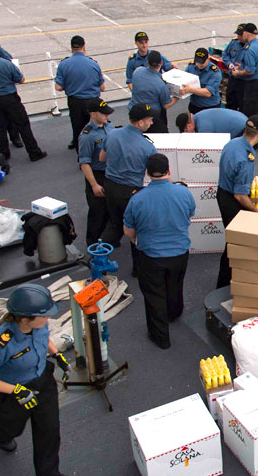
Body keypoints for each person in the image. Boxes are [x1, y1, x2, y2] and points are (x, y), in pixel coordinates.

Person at [0, 283, 77, 476]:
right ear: (24, 319)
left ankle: (50, 475)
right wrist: (17, 391)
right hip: (12, 392)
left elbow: (44, 338)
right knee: (12, 428)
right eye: (44, 315)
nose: (48, 318)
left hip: (43, 382)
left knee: (49, 430)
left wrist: (57, 355)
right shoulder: (2, 342)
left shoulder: (39, 324)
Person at [123, 153, 195, 349]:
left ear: (147, 173)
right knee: (175, 284)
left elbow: (129, 230)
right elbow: (190, 215)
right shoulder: (184, 193)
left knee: (154, 294)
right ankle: (174, 312)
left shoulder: (137, 199)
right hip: (179, 252)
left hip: (151, 255)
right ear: (169, 171)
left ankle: (161, 337)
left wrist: (136, 240)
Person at [99, 103, 157, 276]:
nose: (152, 122)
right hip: (130, 192)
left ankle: (96, 256)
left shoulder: (112, 134)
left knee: (115, 223)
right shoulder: (147, 146)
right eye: (149, 120)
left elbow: (102, 158)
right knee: (137, 228)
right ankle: (138, 269)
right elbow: (154, 173)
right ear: (140, 123)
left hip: (110, 186)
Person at [0, 36, 47, 162]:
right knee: (22, 124)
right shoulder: (6, 63)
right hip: (9, 97)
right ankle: (33, 152)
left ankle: (3, 154)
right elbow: (21, 79)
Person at [215, 115, 258, 288]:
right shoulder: (246, 158)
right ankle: (224, 284)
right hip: (232, 202)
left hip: (222, 193)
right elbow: (240, 195)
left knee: (232, 239)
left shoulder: (233, 144)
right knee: (236, 244)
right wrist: (256, 211)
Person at [55, 35, 105, 150]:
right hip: (92, 102)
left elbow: (58, 87)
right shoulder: (93, 63)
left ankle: (80, 151)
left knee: (77, 127)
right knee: (95, 127)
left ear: (72, 48)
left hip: (75, 102)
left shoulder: (64, 64)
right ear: (84, 47)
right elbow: (102, 87)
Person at [78, 99, 115, 245]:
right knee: (97, 213)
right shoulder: (87, 136)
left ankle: (108, 239)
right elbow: (84, 163)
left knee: (110, 209)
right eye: (103, 113)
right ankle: (93, 244)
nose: (106, 116)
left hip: (110, 173)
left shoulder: (109, 126)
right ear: (93, 114)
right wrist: (94, 185)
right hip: (97, 174)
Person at [129, 50, 176, 133]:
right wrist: (177, 97)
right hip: (152, 119)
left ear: (147, 62)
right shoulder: (161, 85)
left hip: (135, 114)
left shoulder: (137, 72)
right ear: (161, 63)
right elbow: (166, 105)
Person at [232, 23, 258, 117]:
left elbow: (250, 71)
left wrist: (238, 73)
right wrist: (243, 66)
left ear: (246, 33)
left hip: (252, 85)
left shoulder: (249, 49)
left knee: (249, 112)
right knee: (257, 109)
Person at [180, 47, 221, 114]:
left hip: (210, 107)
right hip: (195, 105)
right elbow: (184, 79)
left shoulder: (214, 72)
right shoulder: (191, 67)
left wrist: (190, 89)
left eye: (202, 62)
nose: (199, 65)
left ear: (208, 58)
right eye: (197, 62)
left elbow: (208, 93)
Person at [175, 108, 248, 138]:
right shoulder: (198, 116)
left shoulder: (204, 128)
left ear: (189, 126)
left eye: (186, 132)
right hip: (242, 118)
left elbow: (208, 147)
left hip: (241, 128)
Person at [222, 24, 246, 112]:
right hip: (232, 78)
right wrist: (229, 64)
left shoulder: (251, 47)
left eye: (240, 35)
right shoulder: (234, 42)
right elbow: (225, 54)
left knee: (243, 105)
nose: (238, 37)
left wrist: (241, 69)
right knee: (230, 102)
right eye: (238, 35)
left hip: (244, 81)